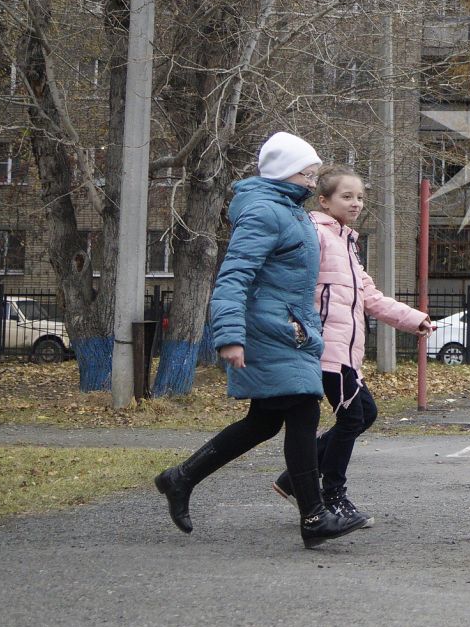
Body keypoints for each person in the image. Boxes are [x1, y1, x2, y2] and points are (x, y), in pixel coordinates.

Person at [154, 133, 363, 548]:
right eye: (309, 173)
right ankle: (314, 516)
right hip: (273, 332)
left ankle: (180, 478)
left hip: (290, 330)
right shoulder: (267, 212)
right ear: (290, 174)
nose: (313, 180)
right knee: (304, 410)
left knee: (265, 421)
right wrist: (229, 336)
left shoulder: (289, 211)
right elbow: (234, 276)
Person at [266, 166, 432, 526]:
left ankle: (294, 478)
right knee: (352, 417)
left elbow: (369, 297)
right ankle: (333, 495)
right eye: (346, 196)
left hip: (348, 351)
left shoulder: (348, 243)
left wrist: (413, 318)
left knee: (365, 415)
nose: (355, 203)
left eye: (359, 197)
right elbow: (295, 284)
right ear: (324, 201)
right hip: (326, 349)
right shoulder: (315, 236)